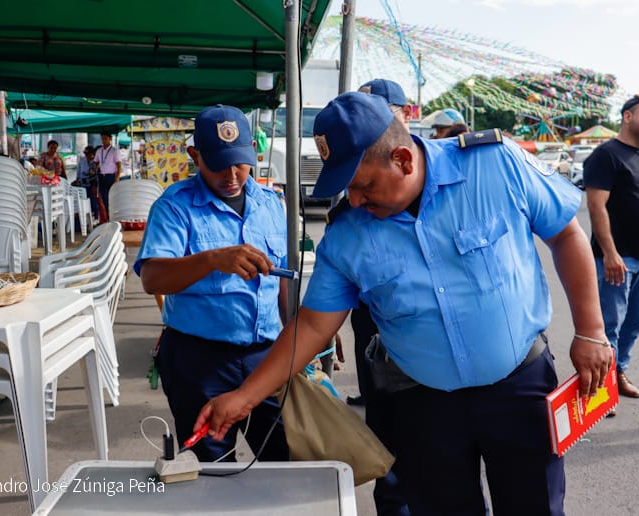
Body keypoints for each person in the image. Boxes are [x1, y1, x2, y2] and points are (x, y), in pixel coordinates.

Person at [195, 92, 611, 514]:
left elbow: (565, 233)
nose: (354, 201)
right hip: (423, 403)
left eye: (363, 186)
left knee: (534, 506)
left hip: (518, 385)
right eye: (347, 190)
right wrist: (246, 396)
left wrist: (591, 331)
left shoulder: (496, 165)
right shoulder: (348, 233)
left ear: (403, 160)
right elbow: (314, 326)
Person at [134, 104, 289, 462]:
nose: (232, 175)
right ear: (195, 155)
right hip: (198, 362)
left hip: (265, 358)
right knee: (212, 466)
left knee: (284, 461)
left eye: (240, 162)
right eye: (219, 163)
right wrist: (212, 259)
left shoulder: (271, 205)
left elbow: (282, 279)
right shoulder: (175, 208)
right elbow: (153, 278)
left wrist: (298, 332)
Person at [351, 78, 413, 516]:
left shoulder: (440, 171)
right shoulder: (358, 174)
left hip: (429, 336)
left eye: (381, 110)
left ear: (405, 115)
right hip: (374, 329)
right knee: (387, 437)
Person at [583, 93, 639, 402]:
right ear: (628, 116)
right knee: (609, 325)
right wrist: (610, 253)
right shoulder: (606, 155)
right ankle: (601, 389)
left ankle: (618, 373)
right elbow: (596, 206)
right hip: (617, 259)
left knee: (633, 323)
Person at [94, 132, 122, 221]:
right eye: (102, 138)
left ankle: (114, 218)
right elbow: (96, 162)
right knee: (104, 199)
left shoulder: (114, 151)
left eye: (106, 138)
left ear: (110, 139)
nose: (104, 140)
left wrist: (117, 178)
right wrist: (96, 168)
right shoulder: (99, 151)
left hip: (111, 176)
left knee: (112, 198)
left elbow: (119, 165)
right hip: (102, 176)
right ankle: (109, 218)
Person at [75, 145, 100, 220]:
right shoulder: (82, 160)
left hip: (92, 184)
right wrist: (78, 179)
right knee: (84, 200)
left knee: (93, 200)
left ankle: (96, 216)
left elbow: (95, 173)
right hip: (83, 183)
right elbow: (79, 171)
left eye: (89, 154)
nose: (87, 155)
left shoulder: (95, 161)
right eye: (86, 154)